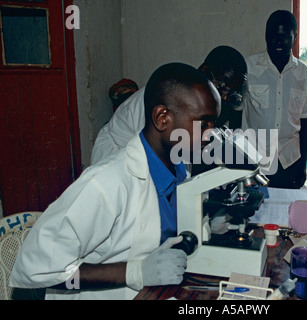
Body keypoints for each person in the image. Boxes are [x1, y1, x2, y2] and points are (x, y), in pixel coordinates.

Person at [9, 63, 221, 300]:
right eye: (204, 124)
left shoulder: (179, 169)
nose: (210, 134)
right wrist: (133, 272)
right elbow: (36, 268)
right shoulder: (105, 183)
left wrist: (208, 221)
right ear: (163, 119)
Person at [90, 45, 247, 166]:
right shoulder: (172, 94)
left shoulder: (201, 100)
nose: (225, 96)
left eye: (231, 93)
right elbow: (156, 153)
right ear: (204, 69)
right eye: (223, 86)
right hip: (119, 154)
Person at [241, 10, 307, 189]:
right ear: (266, 35)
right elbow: (235, 113)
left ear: (294, 37)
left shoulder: (304, 74)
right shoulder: (249, 67)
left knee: (286, 214)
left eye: (284, 36)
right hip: (254, 161)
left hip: (289, 162)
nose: (278, 41)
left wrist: (302, 167)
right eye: (273, 35)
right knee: (254, 214)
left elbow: (306, 123)